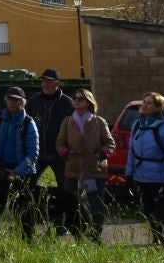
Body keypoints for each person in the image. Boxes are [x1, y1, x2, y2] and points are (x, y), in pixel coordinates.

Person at [0, 86, 41, 236]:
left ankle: (27, 240)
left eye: (16, 100)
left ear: (22, 102)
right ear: (5, 100)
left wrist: (17, 172)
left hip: (22, 172)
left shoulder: (29, 123)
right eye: (10, 99)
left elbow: (33, 154)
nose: (12, 102)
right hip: (1, 169)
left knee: (23, 209)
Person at [57, 88, 113, 240]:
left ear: (89, 102)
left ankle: (95, 235)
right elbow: (60, 143)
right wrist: (66, 153)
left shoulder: (99, 121)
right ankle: (76, 233)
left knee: (96, 205)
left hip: (94, 169)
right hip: (73, 168)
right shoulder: (67, 121)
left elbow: (110, 143)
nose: (76, 101)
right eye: (75, 98)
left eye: (81, 99)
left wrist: (100, 154)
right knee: (70, 203)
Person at [127, 93, 164, 247]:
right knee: (149, 212)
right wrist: (129, 173)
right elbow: (131, 150)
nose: (144, 105)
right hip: (142, 176)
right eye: (144, 102)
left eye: (149, 103)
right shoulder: (137, 124)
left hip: (160, 177)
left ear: (158, 108)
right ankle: (157, 240)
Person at [27, 70, 77, 235]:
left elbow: (74, 128)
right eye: (43, 81)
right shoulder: (33, 101)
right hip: (37, 153)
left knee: (64, 189)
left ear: (58, 83)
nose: (45, 84)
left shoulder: (68, 103)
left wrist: (68, 150)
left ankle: (61, 223)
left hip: (59, 154)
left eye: (49, 81)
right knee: (28, 187)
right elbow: (25, 122)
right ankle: (29, 220)